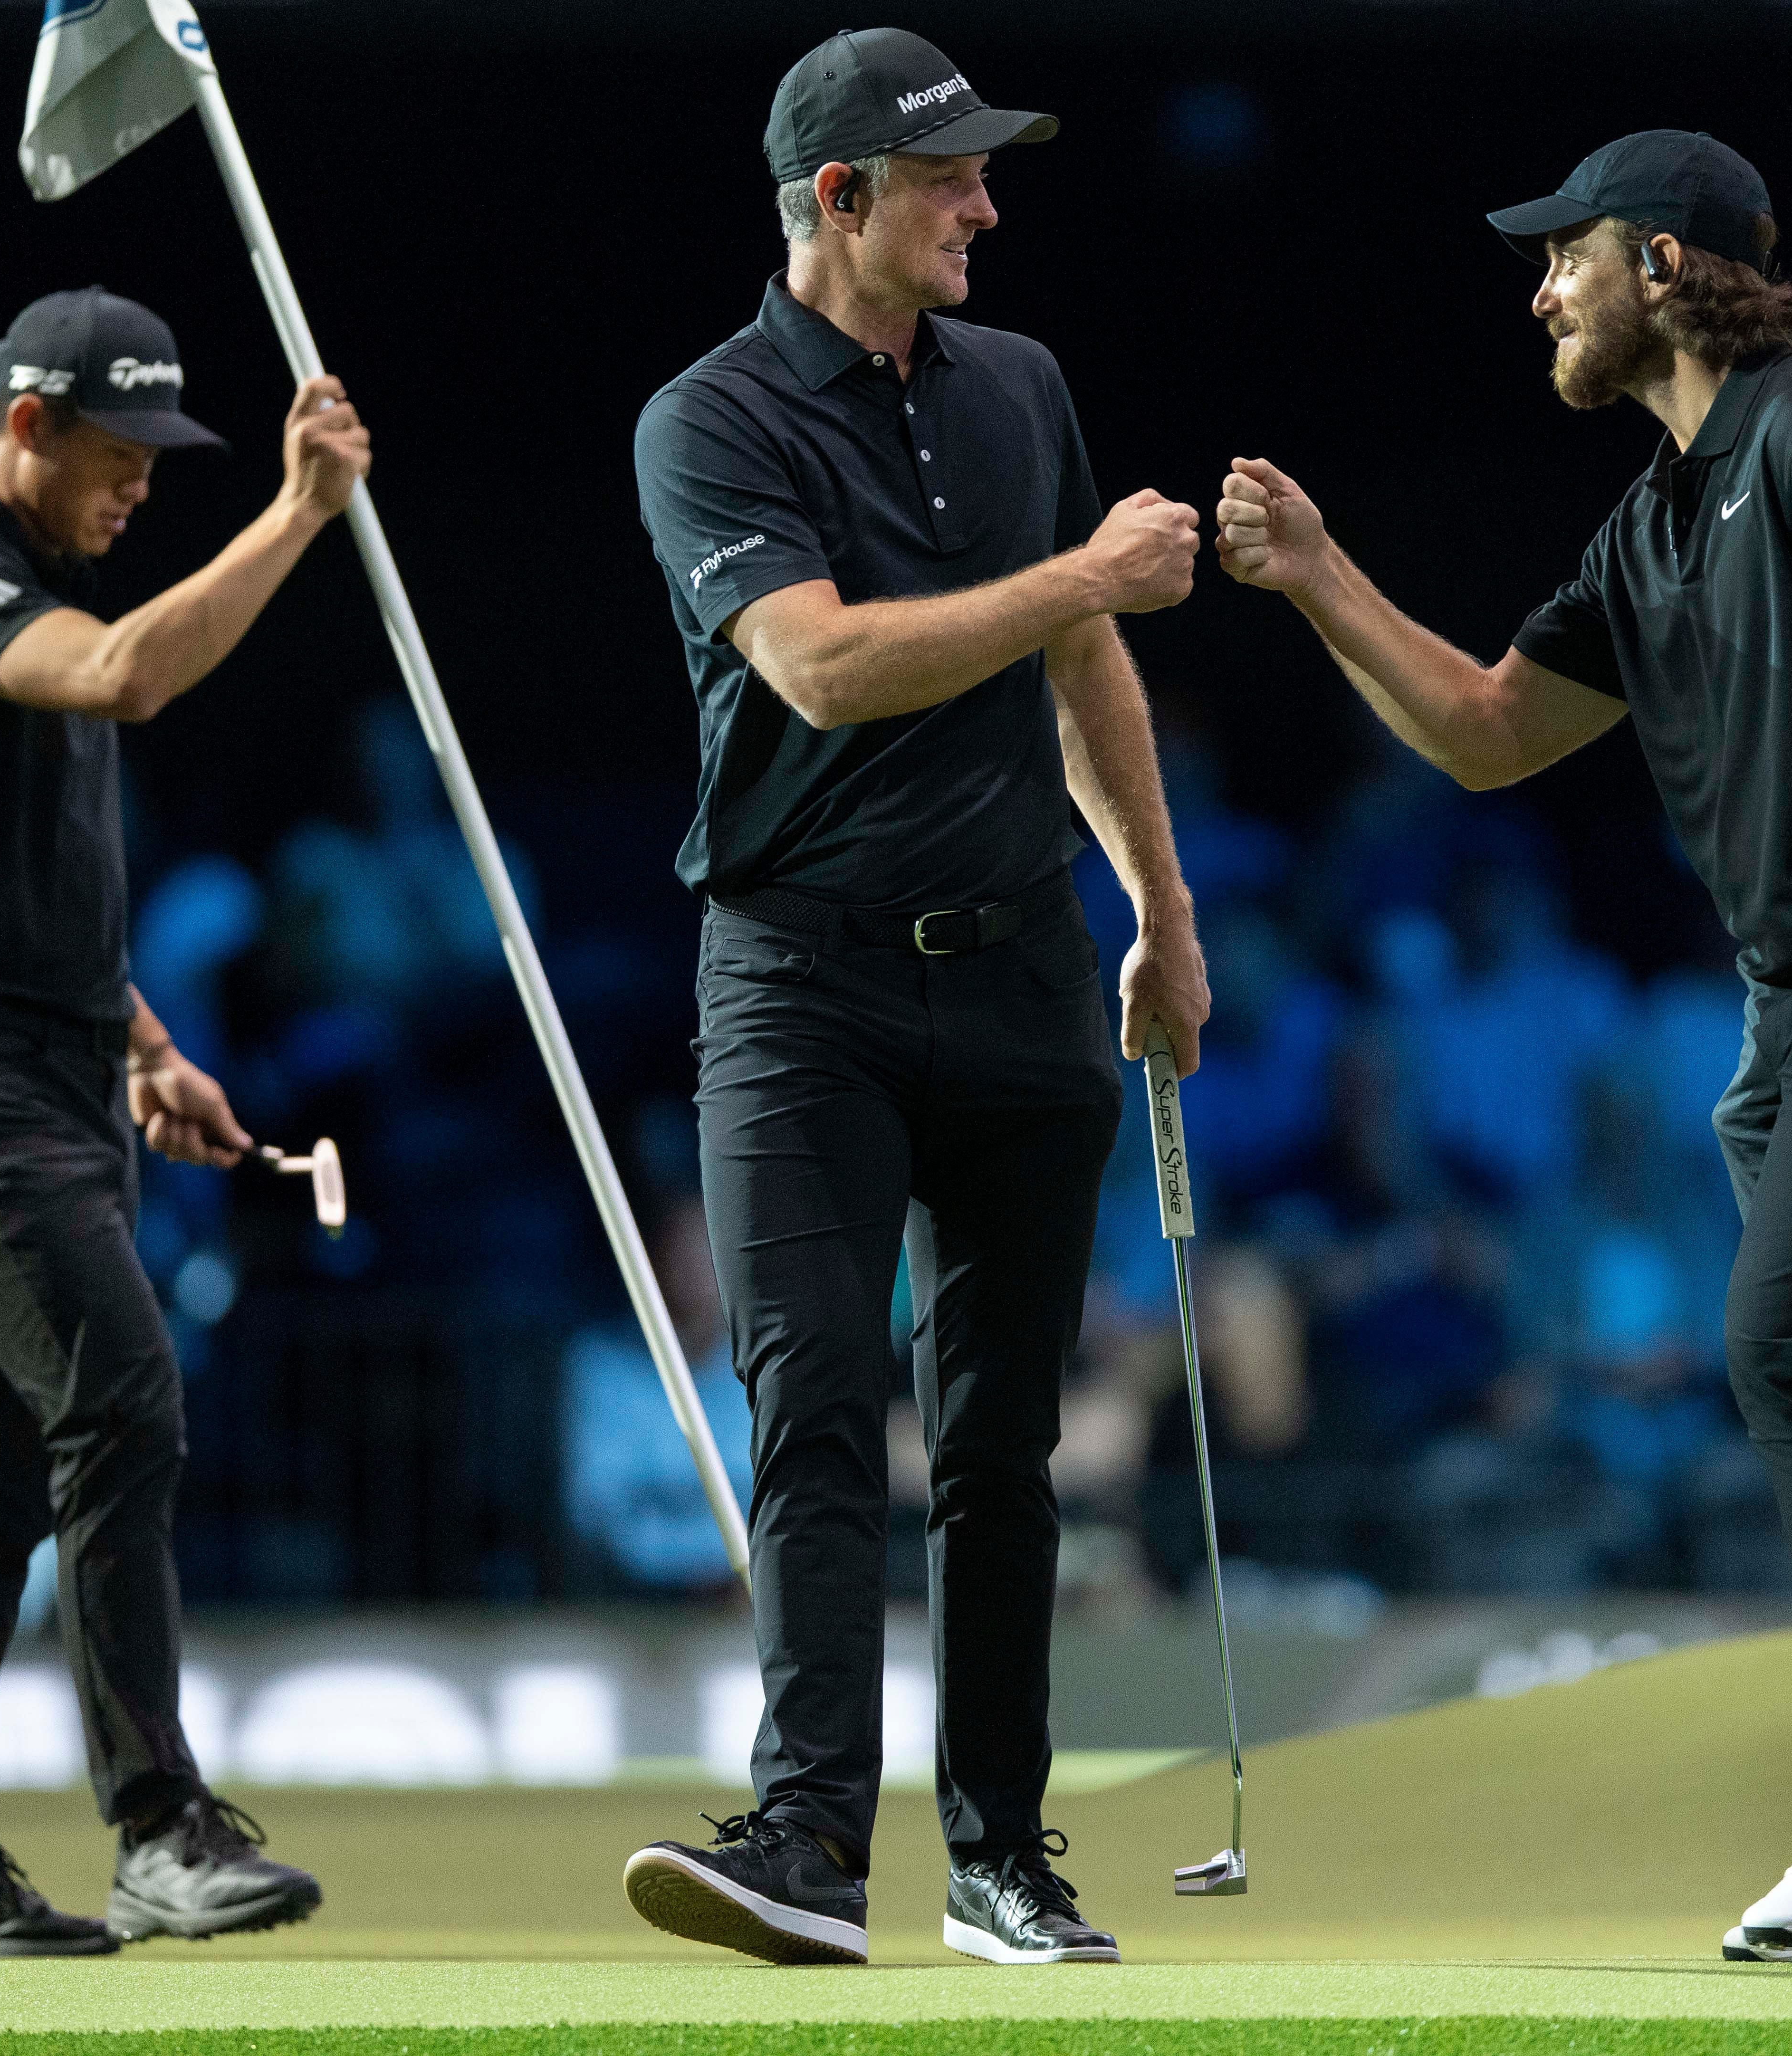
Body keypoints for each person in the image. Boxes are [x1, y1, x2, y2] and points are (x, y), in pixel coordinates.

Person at [1213, 131, 1792, 1963]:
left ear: (1661, 267)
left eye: (1564, 256)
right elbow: (1495, 732)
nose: (1539, 290)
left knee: (1788, 1338)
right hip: (1791, 1001)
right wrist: (1322, 575)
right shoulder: (1658, 516)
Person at [619, 27, 1208, 1969]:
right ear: (841, 200)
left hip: (1029, 965)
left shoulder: (1017, 382)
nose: (987, 206)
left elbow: (1085, 680)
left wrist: (1162, 906)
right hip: (801, 977)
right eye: (950, 178)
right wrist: (1084, 578)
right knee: (811, 1412)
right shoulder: (708, 420)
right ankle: (806, 1841)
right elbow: (823, 666)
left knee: (1000, 1444)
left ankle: (1001, 1855)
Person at [0, 287, 367, 1955]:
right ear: (28, 427)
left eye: (161, 457)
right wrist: (299, 513)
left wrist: (146, 1043)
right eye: (120, 452)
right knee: (124, 1398)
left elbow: (15, 888)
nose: (143, 484)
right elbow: (133, 678)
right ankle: (158, 1826)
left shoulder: (31, 595)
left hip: (60, 1077)